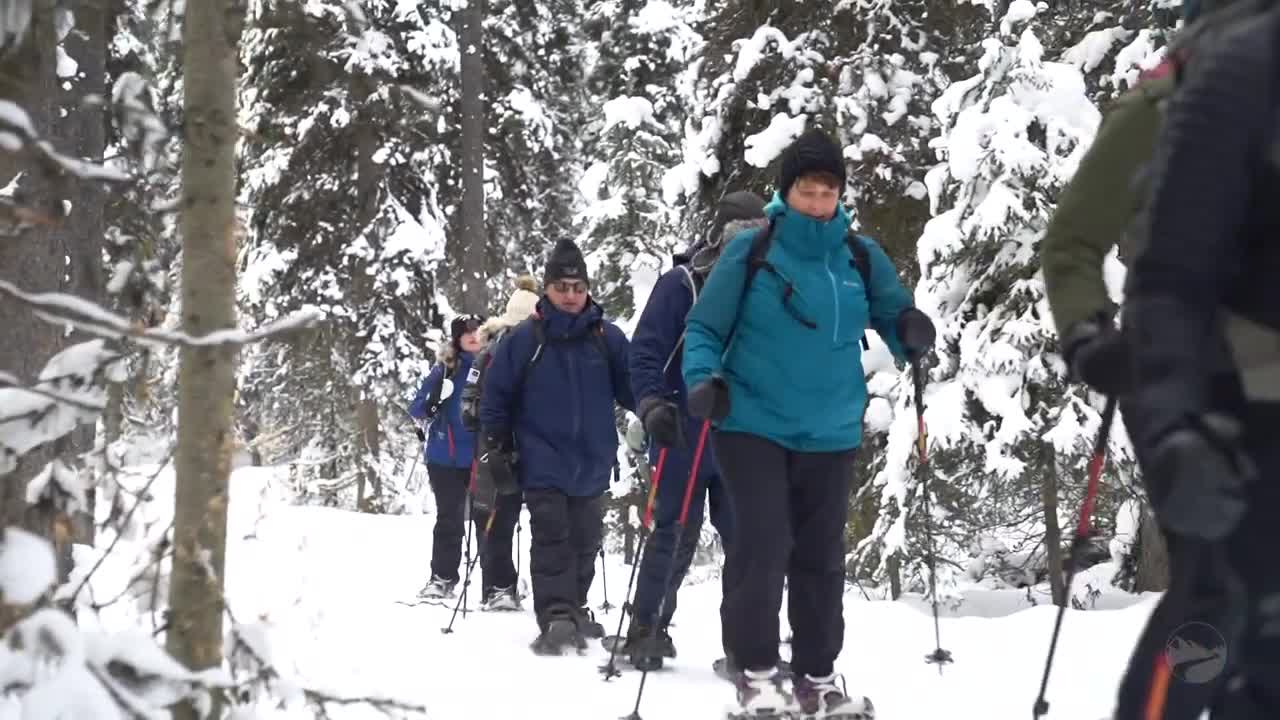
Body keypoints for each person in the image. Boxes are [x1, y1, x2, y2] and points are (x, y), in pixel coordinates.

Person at [1040, 1, 1273, 717]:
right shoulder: (1169, 97)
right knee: (1211, 580)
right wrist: (1086, 336)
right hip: (1182, 373)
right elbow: (1072, 239)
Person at [683, 127, 934, 719]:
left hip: (831, 427)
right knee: (765, 544)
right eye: (808, 189)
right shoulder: (753, 251)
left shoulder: (857, 255)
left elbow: (892, 310)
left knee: (820, 555)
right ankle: (758, 674)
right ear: (786, 192)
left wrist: (908, 331)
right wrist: (703, 381)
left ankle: (817, 679)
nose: (819, 201)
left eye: (829, 191)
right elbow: (704, 328)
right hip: (751, 421)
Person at [1123, 4, 1280, 718]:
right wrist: (1175, 419)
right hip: (1233, 410)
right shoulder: (1226, 83)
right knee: (1217, 604)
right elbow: (1163, 273)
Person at [618, 191, 764, 670]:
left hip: (748, 435)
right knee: (672, 530)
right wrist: (652, 403)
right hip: (684, 430)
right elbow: (644, 352)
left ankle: (747, 645)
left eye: (755, 239)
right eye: (735, 239)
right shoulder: (682, 285)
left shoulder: (772, 288)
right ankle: (647, 628)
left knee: (748, 539)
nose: (744, 250)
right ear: (717, 238)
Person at [478, 238, 637, 654]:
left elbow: (634, 387)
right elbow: (496, 394)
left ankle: (575, 605)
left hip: (593, 459)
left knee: (586, 539)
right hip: (542, 457)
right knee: (551, 536)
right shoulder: (526, 339)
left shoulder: (608, 338)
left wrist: (659, 409)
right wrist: (497, 442)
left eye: (578, 287)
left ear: (588, 290)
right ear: (547, 289)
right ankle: (555, 616)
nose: (570, 295)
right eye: (562, 287)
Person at [457, 274, 543, 611]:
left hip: (537, 446)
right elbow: (468, 403)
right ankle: (497, 586)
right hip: (495, 447)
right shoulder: (489, 354)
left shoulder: (546, 350)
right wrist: (489, 419)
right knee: (495, 516)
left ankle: (552, 595)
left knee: (547, 519)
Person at [409, 314, 484, 599]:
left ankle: (496, 585)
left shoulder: (495, 366)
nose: (474, 336)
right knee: (449, 520)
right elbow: (416, 408)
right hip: (446, 458)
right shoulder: (445, 369)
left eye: (478, 331)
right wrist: (432, 402)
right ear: (457, 339)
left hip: (483, 457)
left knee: (488, 522)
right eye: (467, 333)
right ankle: (442, 578)